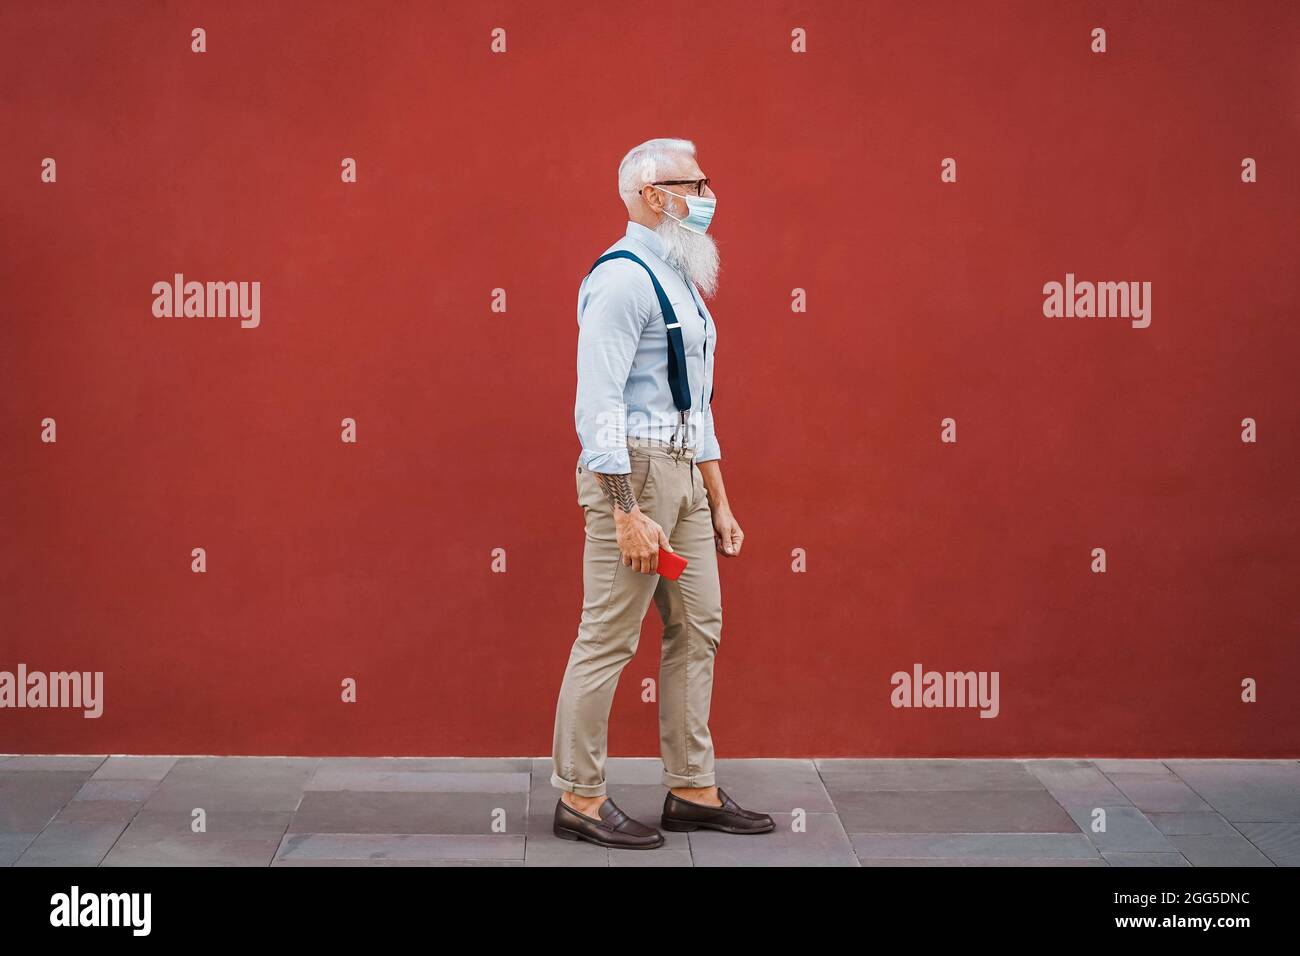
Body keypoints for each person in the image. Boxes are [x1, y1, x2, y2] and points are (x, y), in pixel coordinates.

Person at [549, 137, 774, 849]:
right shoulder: (621, 279)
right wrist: (624, 509)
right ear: (654, 195)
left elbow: (695, 404)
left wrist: (720, 499)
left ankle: (692, 789)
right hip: (636, 478)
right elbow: (599, 405)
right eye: (695, 183)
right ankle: (580, 798)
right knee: (608, 638)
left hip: (684, 479)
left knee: (697, 626)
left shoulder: (679, 278)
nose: (708, 195)